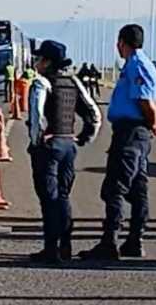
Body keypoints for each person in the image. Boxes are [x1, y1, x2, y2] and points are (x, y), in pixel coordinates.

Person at [80, 24, 156, 261]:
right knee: (137, 189)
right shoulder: (139, 64)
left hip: (131, 133)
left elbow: (145, 100)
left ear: (122, 42)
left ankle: (110, 242)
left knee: (115, 188)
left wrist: (153, 121)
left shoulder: (137, 65)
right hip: (134, 132)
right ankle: (134, 241)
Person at [25, 40, 102, 264]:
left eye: (39, 59)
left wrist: (37, 141)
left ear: (48, 62)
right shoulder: (73, 82)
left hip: (49, 147)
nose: (36, 63)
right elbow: (94, 115)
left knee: (49, 199)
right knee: (64, 196)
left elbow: (36, 118)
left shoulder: (41, 83)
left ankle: (51, 249)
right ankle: (65, 246)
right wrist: (82, 138)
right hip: (69, 146)